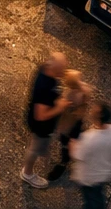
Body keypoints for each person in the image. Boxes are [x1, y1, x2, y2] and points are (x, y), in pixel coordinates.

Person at [22, 52, 73, 188]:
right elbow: (41, 115)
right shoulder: (45, 87)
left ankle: (42, 150)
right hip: (41, 126)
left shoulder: (45, 69)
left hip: (44, 125)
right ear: (54, 70)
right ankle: (27, 173)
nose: (65, 71)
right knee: (35, 148)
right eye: (62, 70)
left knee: (40, 145)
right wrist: (60, 107)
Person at [71, 102, 111, 209]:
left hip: (90, 176)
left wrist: (72, 144)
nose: (91, 110)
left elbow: (77, 155)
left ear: (99, 116)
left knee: (91, 199)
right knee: (97, 194)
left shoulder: (89, 138)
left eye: (94, 109)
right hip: (104, 171)